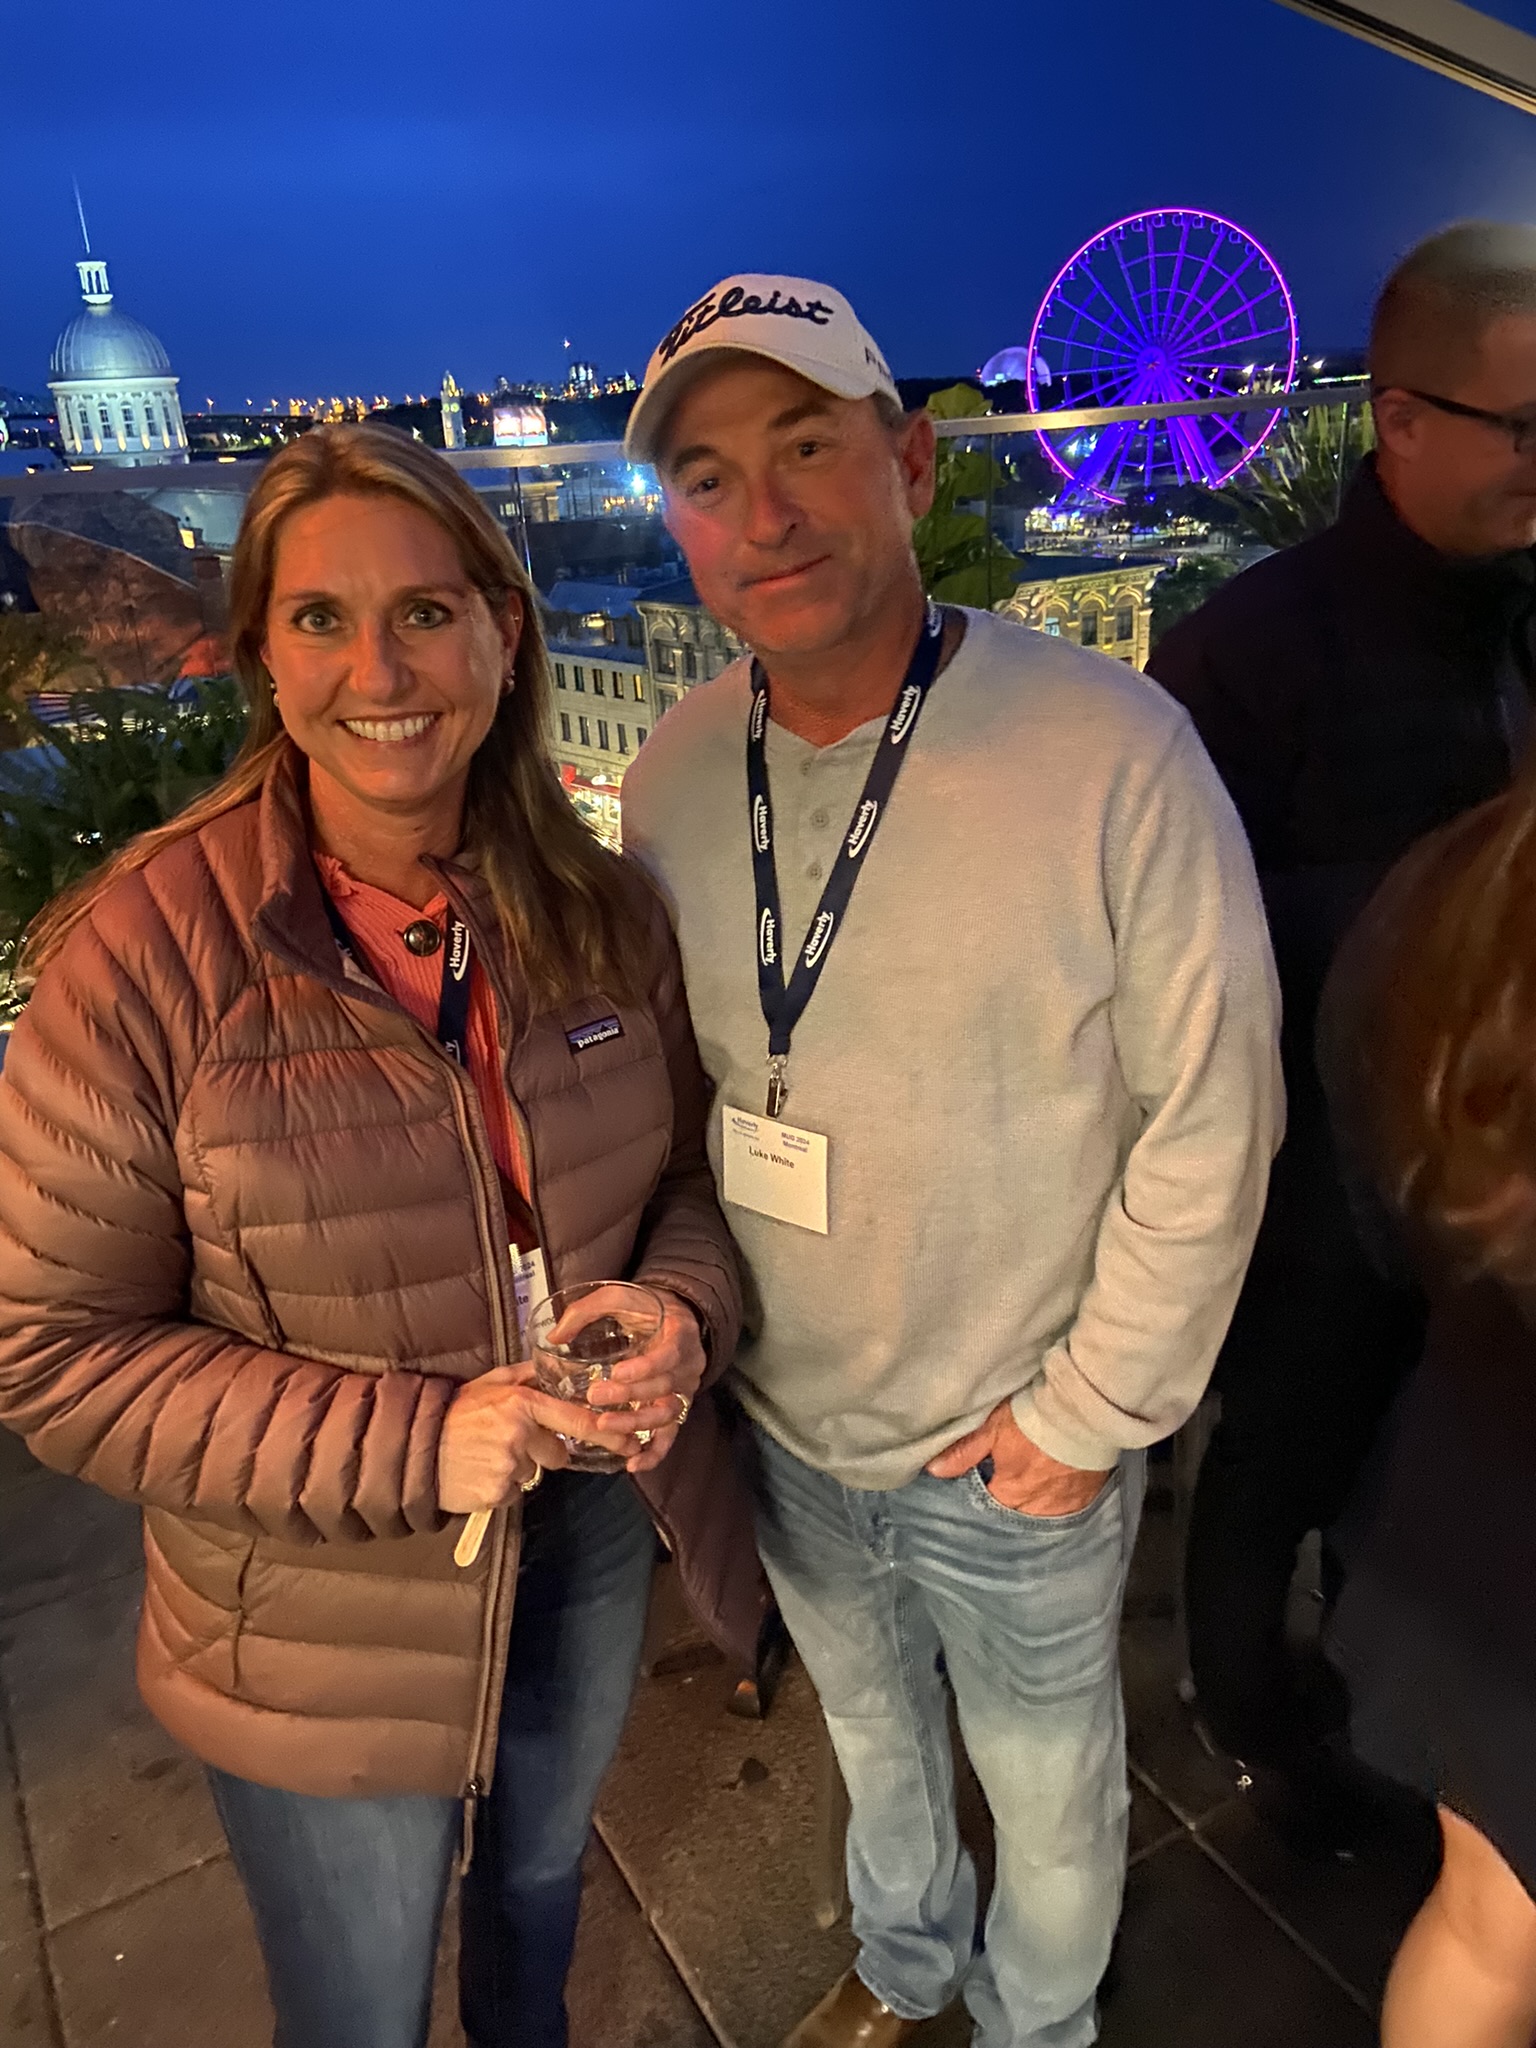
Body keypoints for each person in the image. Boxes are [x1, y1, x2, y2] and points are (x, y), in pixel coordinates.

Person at [0, 423, 766, 2048]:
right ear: (261, 655)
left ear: (504, 631)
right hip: (314, 1609)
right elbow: (54, 1356)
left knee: (538, 1898)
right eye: (321, 618)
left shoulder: (602, 911)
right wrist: (424, 1442)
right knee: (357, 2006)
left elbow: (684, 1185)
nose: (381, 670)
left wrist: (678, 1311)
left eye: (426, 611)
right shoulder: (144, 961)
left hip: (585, 1523)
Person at [619, 274, 1283, 2048]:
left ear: (911, 464)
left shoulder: (1112, 750)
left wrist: (1091, 1411)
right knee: (872, 1741)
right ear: (675, 524)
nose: (763, 513)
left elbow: (1216, 1107)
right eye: (706, 477)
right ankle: (906, 1970)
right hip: (787, 1414)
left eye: (807, 448)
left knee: (1051, 1790)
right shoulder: (674, 773)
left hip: (1016, 1435)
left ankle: (1038, 2025)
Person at [1146, 221, 1536, 1840]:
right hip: (1316, 1191)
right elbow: (1179, 951)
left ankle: (1409, 1722)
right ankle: (1263, 1726)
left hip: (1491, 1197)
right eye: (1525, 428)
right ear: (1401, 419)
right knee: (1280, 1461)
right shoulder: (1245, 653)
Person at [1317, 755, 1536, 2048]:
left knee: (1488, 1924)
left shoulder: (1467, 883)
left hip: (1488, 1477)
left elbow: (1390, 1198)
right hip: (1497, 1494)